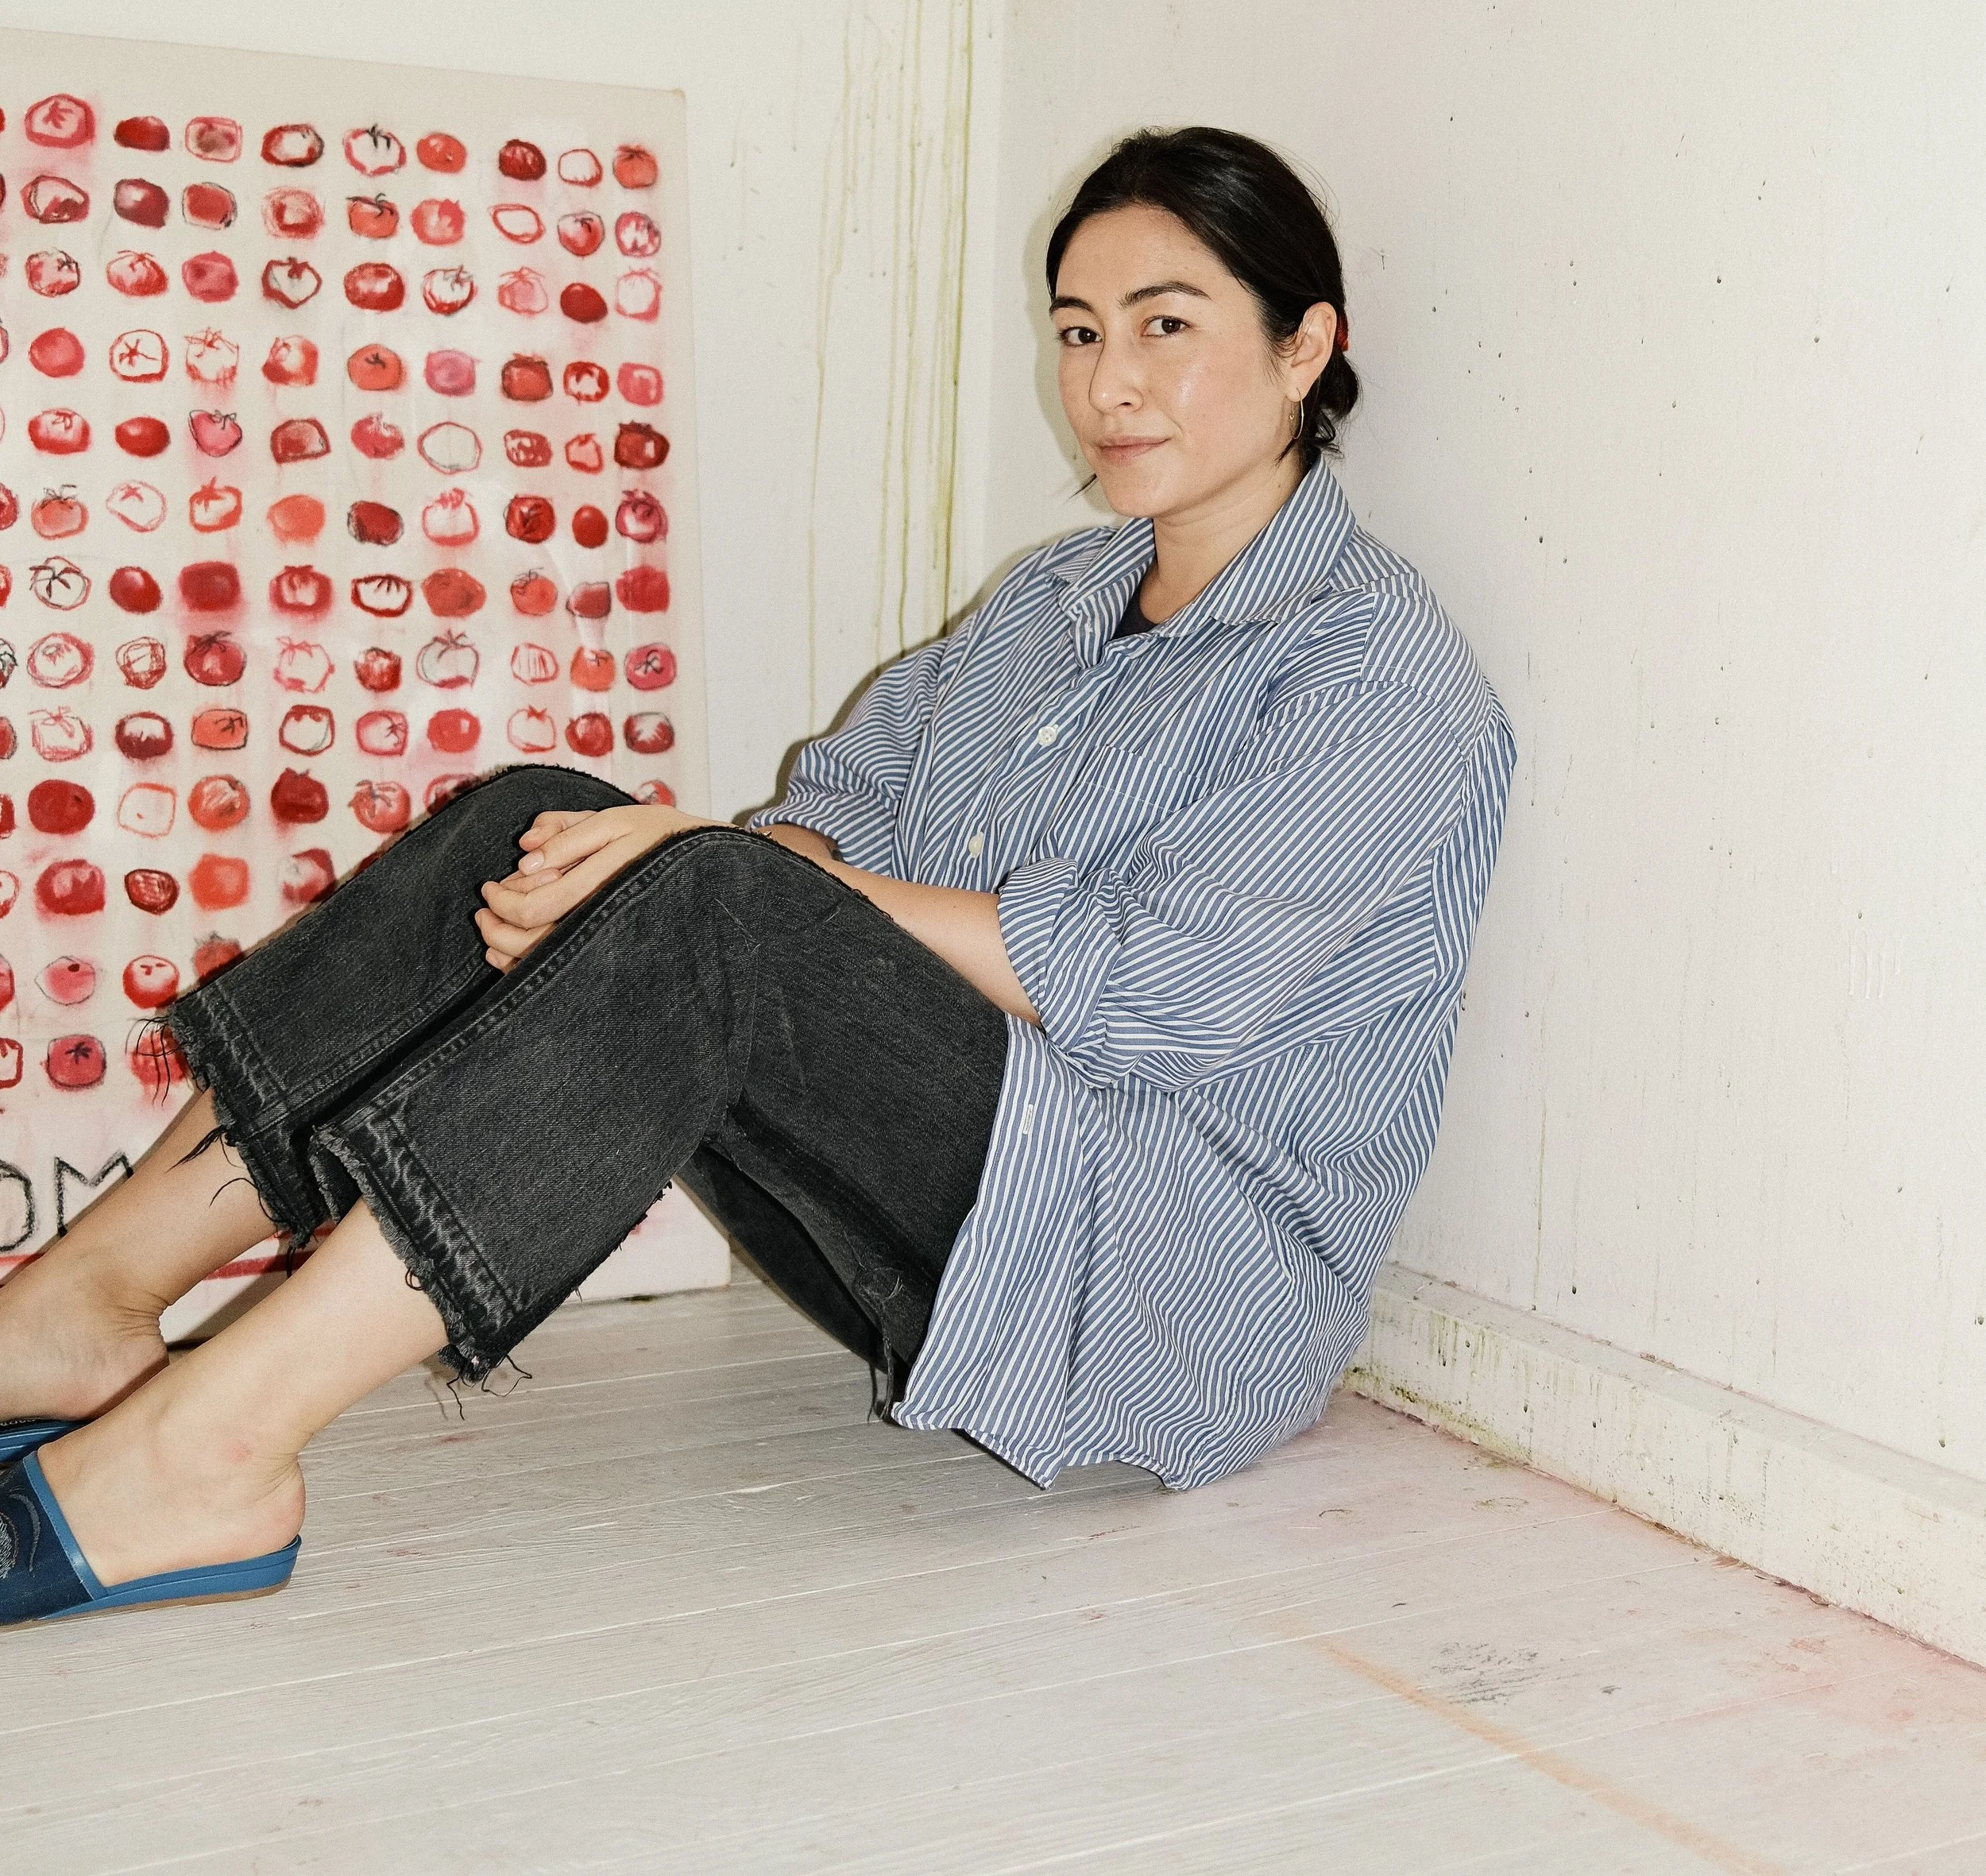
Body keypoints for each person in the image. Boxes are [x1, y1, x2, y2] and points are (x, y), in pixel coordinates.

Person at [0, 126, 1513, 1629]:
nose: (1109, 384)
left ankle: (211, 1451)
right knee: (541, 824)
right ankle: (82, 1309)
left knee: (710, 896)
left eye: (1167, 327)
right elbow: (834, 816)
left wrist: (723, 878)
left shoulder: (1376, 669)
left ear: (1306, 343)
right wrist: (661, 867)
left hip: (1169, 1282)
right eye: (1079, 332)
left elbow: (1164, 982)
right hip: (956, 1237)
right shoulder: (1050, 602)